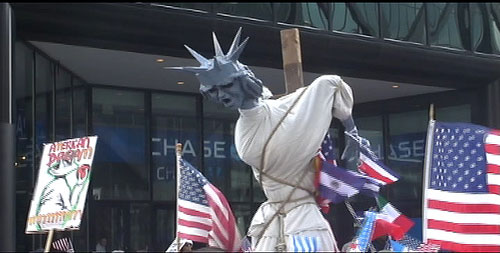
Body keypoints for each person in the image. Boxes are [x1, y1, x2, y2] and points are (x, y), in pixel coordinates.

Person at [168, 28, 367, 252]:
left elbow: (331, 83)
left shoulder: (280, 112)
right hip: (272, 217)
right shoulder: (256, 122)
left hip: (303, 220)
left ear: (243, 81)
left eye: (226, 86)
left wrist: (352, 131)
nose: (221, 95)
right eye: (213, 91)